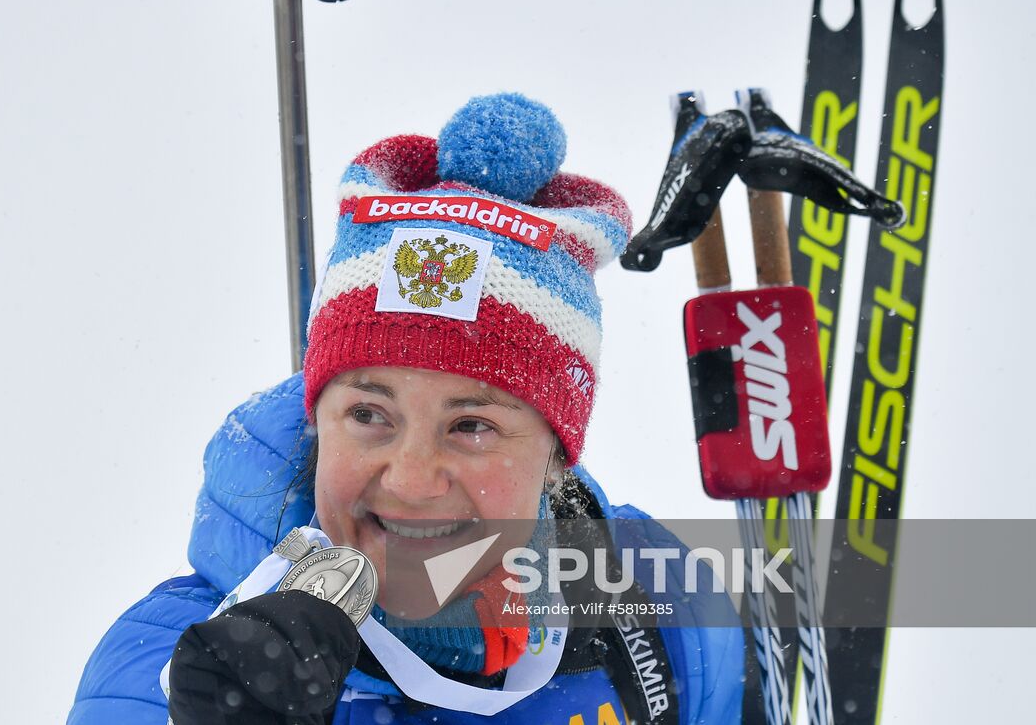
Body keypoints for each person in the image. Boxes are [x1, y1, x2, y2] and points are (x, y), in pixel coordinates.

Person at [66, 94, 744, 724]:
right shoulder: (182, 674)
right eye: (369, 415)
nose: (412, 480)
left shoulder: (662, 611)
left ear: (556, 453)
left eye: (471, 425)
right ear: (317, 421)